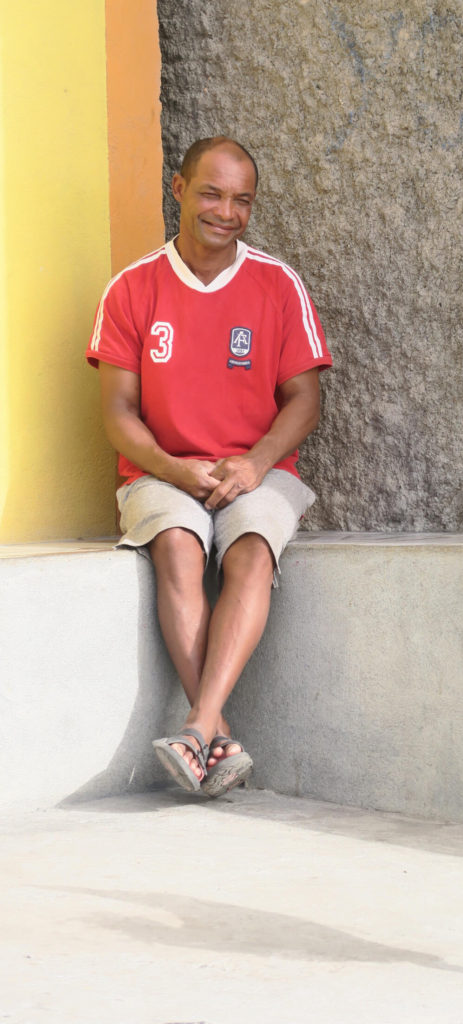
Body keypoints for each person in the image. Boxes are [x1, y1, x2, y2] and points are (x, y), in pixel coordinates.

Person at [86, 136, 332, 796]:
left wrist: (253, 467)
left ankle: (196, 727)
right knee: (177, 544)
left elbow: (304, 400)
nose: (226, 211)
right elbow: (117, 413)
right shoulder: (132, 288)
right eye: (211, 193)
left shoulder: (277, 284)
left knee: (252, 546)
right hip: (160, 470)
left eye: (241, 200)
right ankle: (214, 730)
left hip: (256, 467)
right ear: (179, 189)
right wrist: (173, 469)